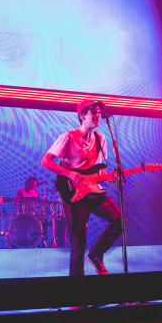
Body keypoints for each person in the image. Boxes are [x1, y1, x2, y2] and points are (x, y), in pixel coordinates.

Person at [41, 100, 122, 276]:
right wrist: (69, 174)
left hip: (93, 189)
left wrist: (109, 178)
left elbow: (100, 168)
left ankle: (96, 254)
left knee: (120, 221)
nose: (97, 115)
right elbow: (45, 161)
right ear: (82, 116)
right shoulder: (69, 137)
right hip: (73, 192)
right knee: (79, 240)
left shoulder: (101, 139)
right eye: (93, 112)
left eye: (99, 112)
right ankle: (77, 296)